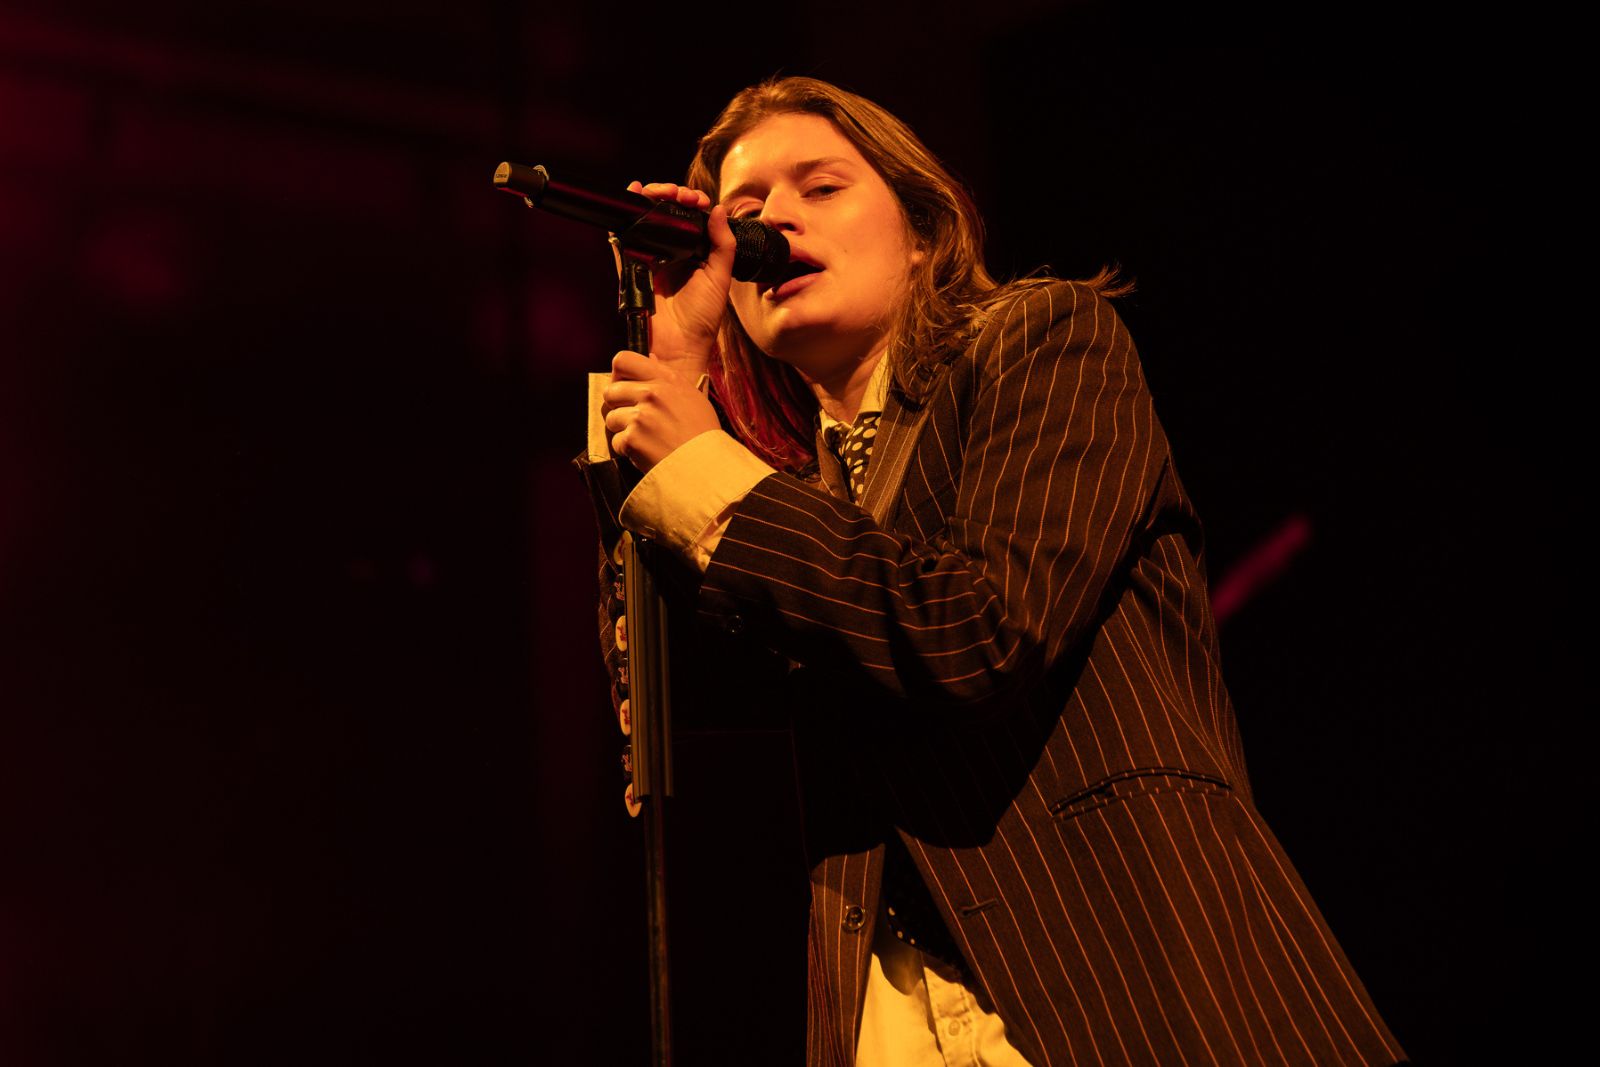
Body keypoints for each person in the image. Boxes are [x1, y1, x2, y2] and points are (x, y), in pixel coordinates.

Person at [580, 76, 1405, 1066]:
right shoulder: (800, 503)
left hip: (1126, 981)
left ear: (922, 230)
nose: (772, 222)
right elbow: (673, 704)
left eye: (821, 187)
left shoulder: (1043, 341)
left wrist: (709, 468)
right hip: (895, 1013)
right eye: (745, 213)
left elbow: (972, 632)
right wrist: (674, 362)